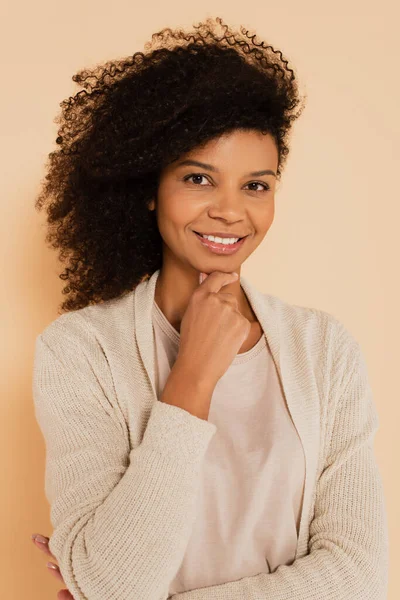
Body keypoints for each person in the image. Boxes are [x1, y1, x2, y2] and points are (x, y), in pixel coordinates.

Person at [31, 15, 388, 600]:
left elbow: (360, 575)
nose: (231, 211)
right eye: (199, 179)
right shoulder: (81, 350)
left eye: (256, 185)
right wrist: (191, 376)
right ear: (149, 188)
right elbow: (115, 583)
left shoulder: (322, 349)